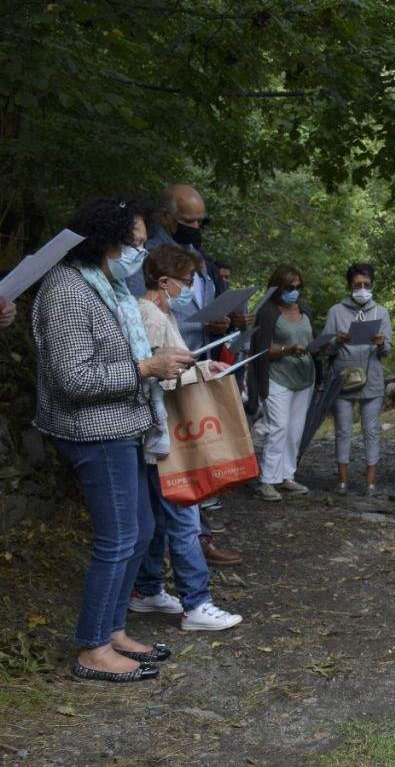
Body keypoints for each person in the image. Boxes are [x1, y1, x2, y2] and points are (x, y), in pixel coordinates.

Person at [32, 197, 193, 682]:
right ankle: (92, 647)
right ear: (104, 240)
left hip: (124, 426)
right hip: (94, 431)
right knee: (118, 537)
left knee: (140, 532)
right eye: (134, 244)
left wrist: (157, 363)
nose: (140, 255)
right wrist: (146, 367)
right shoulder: (66, 290)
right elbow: (72, 379)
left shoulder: (106, 284)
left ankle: (114, 629)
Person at [127, 245, 243, 631]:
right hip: (164, 433)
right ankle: (196, 603)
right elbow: (156, 374)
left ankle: (147, 589)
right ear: (164, 282)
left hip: (160, 432)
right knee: (184, 515)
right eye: (187, 282)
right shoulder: (149, 315)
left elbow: (174, 362)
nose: (191, 289)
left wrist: (199, 364)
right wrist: (195, 372)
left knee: (162, 517)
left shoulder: (161, 312)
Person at [126, 184, 241, 353]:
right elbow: (140, 311)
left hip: (200, 360)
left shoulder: (198, 256)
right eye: (188, 221)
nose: (195, 227)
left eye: (200, 221)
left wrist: (218, 324)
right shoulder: (146, 256)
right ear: (165, 216)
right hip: (166, 361)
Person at [247, 265, 316, 503]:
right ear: (278, 287)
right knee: (278, 427)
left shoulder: (304, 309)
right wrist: (287, 349)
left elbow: (310, 339)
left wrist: (323, 345)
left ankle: (287, 475)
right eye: (289, 287)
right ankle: (266, 480)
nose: (294, 292)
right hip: (277, 377)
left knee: (295, 430)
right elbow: (260, 350)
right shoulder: (267, 311)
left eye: (298, 287)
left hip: (304, 377)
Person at [323, 263, 393, 497]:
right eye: (357, 285)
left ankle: (370, 481)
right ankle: (342, 480)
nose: (362, 289)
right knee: (343, 430)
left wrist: (382, 343)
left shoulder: (381, 312)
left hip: (372, 378)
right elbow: (327, 348)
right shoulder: (336, 312)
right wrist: (337, 341)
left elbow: (387, 351)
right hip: (344, 378)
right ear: (349, 285)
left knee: (371, 430)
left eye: (366, 284)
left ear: (372, 285)